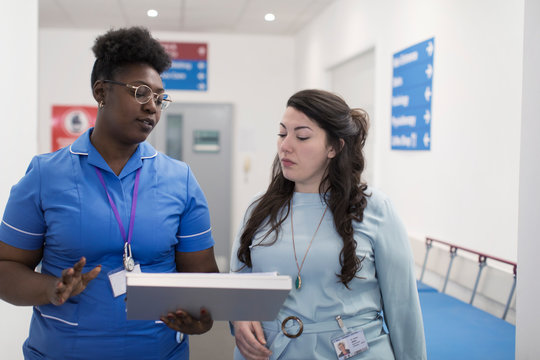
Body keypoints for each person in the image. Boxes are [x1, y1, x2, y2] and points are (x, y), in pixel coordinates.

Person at [0, 27, 219, 360]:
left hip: (158, 352)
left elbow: (202, 277)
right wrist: (51, 288)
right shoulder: (46, 176)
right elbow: (6, 267)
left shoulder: (180, 179)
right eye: (141, 92)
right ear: (101, 92)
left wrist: (201, 318)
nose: (152, 108)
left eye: (160, 98)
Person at [230, 89, 426, 359]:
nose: (285, 145)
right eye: (282, 133)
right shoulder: (259, 209)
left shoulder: (374, 209)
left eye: (302, 136)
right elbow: (238, 285)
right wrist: (239, 317)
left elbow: (403, 308)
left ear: (335, 147)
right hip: (272, 352)